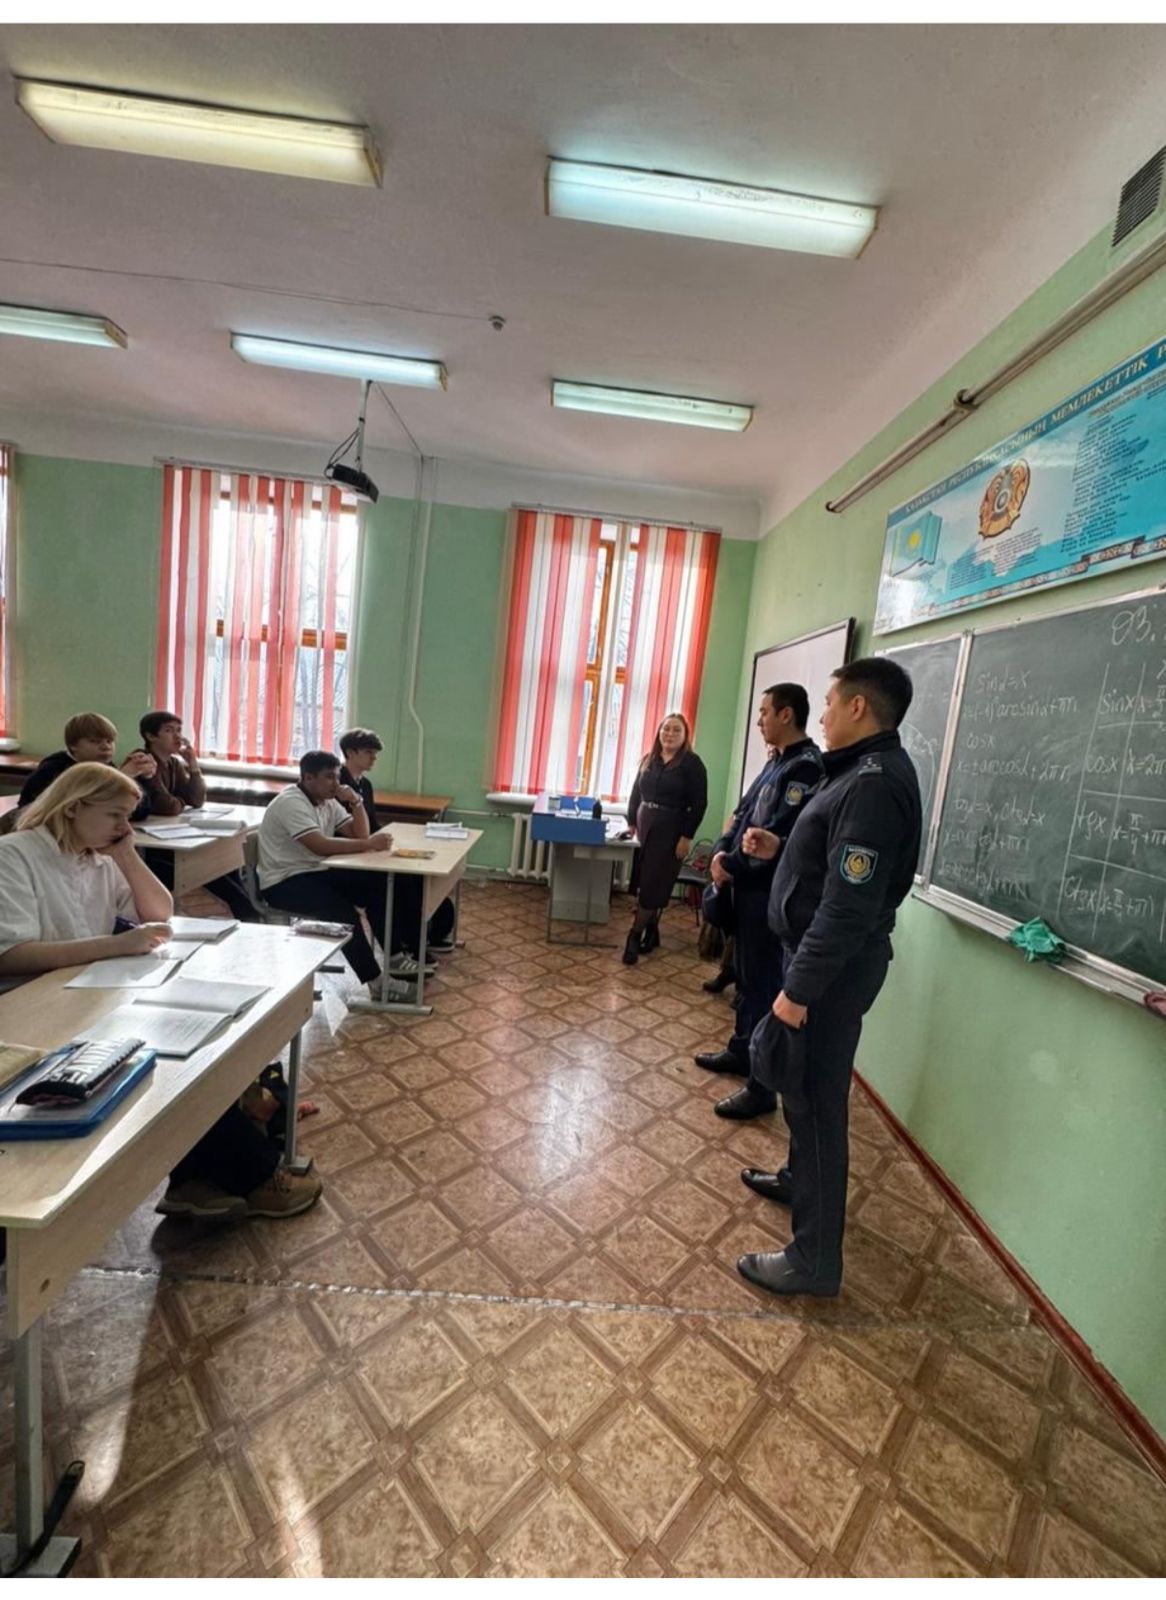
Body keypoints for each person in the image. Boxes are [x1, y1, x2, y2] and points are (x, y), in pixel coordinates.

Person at [0, 764, 319, 1219]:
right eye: (114, 816)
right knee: (170, 1071)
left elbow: (158, 913)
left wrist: (127, 855)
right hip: (27, 1012)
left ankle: (196, 1180)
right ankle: (254, 1176)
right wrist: (114, 945)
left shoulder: (96, 856)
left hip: (83, 995)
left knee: (201, 1051)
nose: (123, 826)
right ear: (73, 808)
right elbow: (10, 955)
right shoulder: (15, 855)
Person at [736, 657, 922, 1299]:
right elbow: (830, 870)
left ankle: (813, 1261)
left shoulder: (872, 784)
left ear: (859, 707)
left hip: (830, 975)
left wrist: (796, 993)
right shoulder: (857, 773)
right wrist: (782, 849)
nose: (823, 715)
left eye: (830, 703)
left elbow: (847, 909)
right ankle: (798, 1182)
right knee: (802, 1094)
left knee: (816, 1107)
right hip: (823, 966)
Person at [694, 685, 824, 1116]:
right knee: (748, 981)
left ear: (786, 714)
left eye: (765, 712)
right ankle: (741, 1051)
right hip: (746, 890)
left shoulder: (805, 768)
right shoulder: (776, 762)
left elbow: (774, 837)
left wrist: (730, 865)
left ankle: (761, 1086)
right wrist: (721, 853)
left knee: (766, 985)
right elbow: (743, 815)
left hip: (770, 895)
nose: (759, 720)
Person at [258, 750, 416, 1001]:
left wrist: (356, 802)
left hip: (315, 872)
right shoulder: (292, 802)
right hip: (283, 882)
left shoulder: (327, 801)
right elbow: (320, 846)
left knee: (377, 884)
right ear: (308, 778)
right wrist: (369, 844)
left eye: (338, 777)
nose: (336, 783)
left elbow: (359, 834)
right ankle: (375, 981)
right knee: (342, 911)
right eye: (329, 777)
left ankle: (394, 956)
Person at [338, 727, 455, 960]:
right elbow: (345, 829)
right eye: (368, 752)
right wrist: (372, 842)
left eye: (375, 753)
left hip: (370, 848)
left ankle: (428, 935)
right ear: (350, 753)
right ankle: (409, 943)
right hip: (350, 854)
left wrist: (392, 841)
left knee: (417, 875)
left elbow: (372, 823)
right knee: (401, 882)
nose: (374, 758)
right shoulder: (339, 784)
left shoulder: (365, 784)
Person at [134, 709, 257, 923]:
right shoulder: (143, 761)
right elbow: (168, 806)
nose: (177, 737)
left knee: (225, 865)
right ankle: (249, 915)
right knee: (210, 868)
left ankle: (248, 914)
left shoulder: (173, 763)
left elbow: (197, 799)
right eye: (169, 731)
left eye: (179, 730)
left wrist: (193, 764)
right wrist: (181, 802)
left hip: (171, 838)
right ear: (150, 736)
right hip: (153, 849)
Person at [622, 713, 707, 964]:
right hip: (645, 827)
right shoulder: (650, 759)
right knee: (646, 881)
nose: (669, 734)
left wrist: (686, 837)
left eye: (676, 730)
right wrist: (631, 823)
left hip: (671, 832)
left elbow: (699, 804)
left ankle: (634, 935)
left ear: (685, 735)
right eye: (665, 729)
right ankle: (652, 931)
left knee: (652, 885)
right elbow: (635, 793)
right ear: (659, 732)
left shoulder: (692, 764)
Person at [16, 712, 154, 820]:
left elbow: (139, 812)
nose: (105, 747)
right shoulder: (53, 769)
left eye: (109, 741)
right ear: (73, 745)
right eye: (95, 741)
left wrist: (141, 778)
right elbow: (80, 811)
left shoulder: (106, 767)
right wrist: (122, 778)